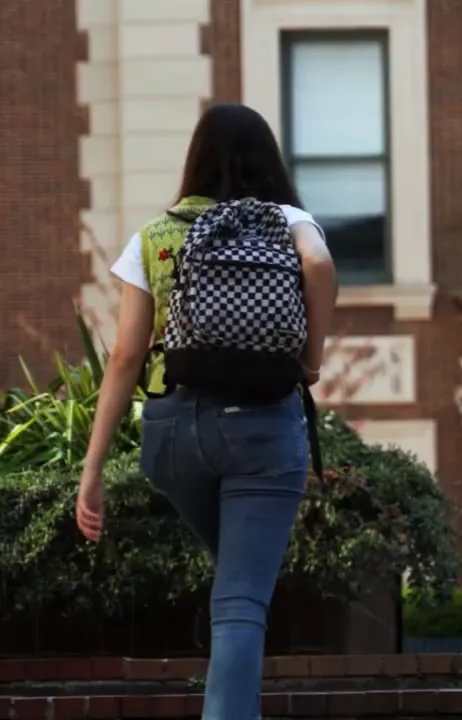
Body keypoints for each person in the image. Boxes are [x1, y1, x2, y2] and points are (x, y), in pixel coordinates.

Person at [76, 103, 338, 720]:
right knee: (242, 602)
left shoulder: (157, 235)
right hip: (261, 428)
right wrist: (310, 359)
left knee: (237, 583)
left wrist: (93, 467)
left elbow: (124, 357)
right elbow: (320, 266)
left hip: (172, 436)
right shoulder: (287, 221)